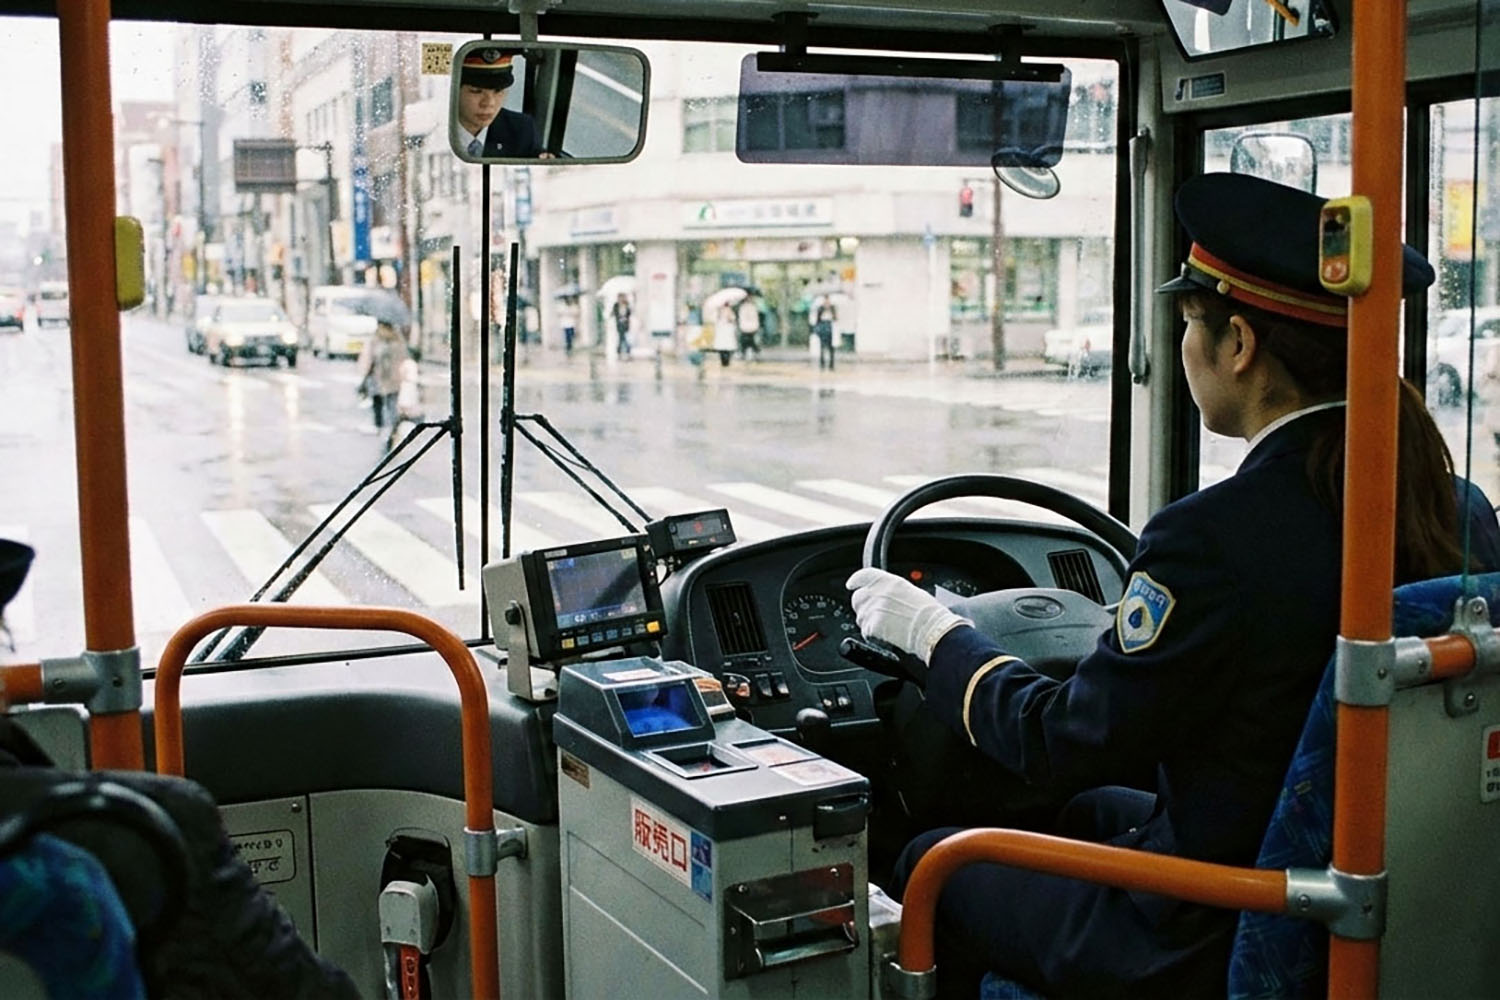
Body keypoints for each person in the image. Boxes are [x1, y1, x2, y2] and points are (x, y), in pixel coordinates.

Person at [846, 172, 1500, 998]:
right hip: (1372, 885)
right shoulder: (1456, 507)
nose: (1185, 349)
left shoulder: (1211, 540)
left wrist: (934, 635)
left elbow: (1057, 743)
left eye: (1190, 323)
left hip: (1215, 931)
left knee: (931, 859)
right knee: (1086, 817)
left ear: (1238, 345)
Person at [451, 47, 544, 158]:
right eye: (476, 91)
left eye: (498, 91)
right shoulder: (433, 129)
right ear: (454, 91)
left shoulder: (521, 129)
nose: (489, 103)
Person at [357, 321, 407, 440]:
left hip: (384, 377)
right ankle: (385, 426)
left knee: (385, 402)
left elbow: (370, 358)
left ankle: (386, 426)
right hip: (387, 378)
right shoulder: (397, 339)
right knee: (382, 402)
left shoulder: (379, 339)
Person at [813, 293, 837, 370]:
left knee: (831, 348)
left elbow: (836, 318)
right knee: (822, 347)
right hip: (823, 328)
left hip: (830, 328)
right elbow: (818, 319)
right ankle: (822, 364)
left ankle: (831, 364)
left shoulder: (832, 308)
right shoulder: (821, 308)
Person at [736, 295, 762, 360]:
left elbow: (741, 317)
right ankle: (755, 352)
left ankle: (743, 353)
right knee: (752, 341)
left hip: (745, 327)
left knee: (744, 341)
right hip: (752, 326)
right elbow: (756, 317)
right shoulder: (754, 307)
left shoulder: (743, 307)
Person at [612, 292, 633, 359]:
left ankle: (625, 353)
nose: (621, 298)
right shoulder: (616, 305)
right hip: (619, 324)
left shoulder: (627, 304)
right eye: (620, 297)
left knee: (624, 339)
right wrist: (620, 318)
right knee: (622, 339)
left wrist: (625, 318)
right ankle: (622, 353)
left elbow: (629, 313)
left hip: (625, 324)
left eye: (622, 297)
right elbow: (614, 313)